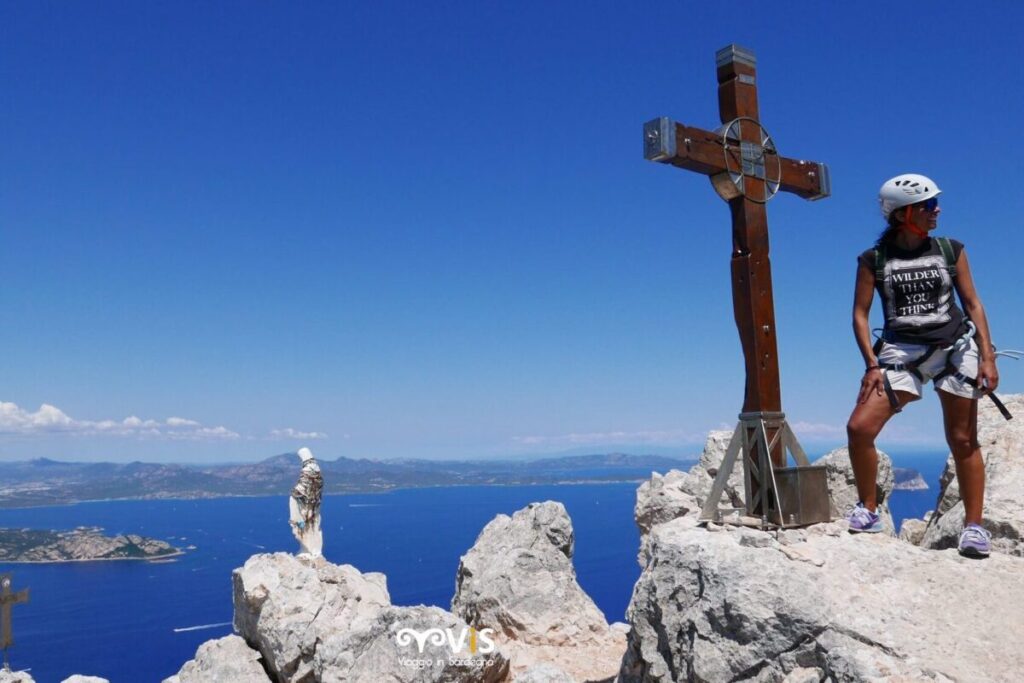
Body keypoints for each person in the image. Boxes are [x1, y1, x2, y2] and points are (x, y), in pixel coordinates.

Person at [844, 173, 998, 558]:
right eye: (928, 205)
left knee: (963, 440)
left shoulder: (950, 249)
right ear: (902, 214)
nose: (937, 210)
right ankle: (868, 509)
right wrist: (871, 365)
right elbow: (860, 315)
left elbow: (973, 303)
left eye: (934, 203)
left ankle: (975, 529)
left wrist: (988, 355)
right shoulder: (874, 260)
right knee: (859, 428)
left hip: (954, 348)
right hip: (902, 353)